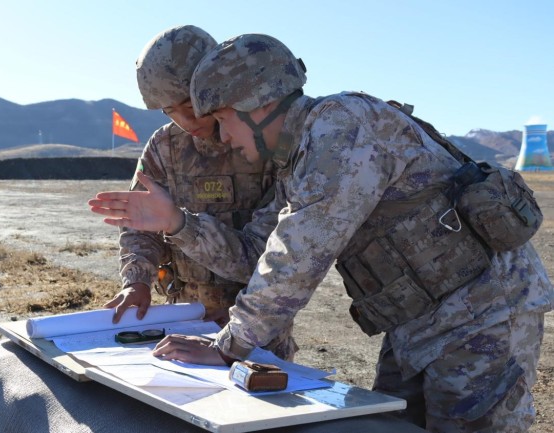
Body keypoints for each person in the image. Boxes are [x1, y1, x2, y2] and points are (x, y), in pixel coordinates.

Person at [90, 33, 554, 432]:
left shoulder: (340, 132)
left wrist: (228, 346)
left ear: (259, 106)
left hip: (481, 315)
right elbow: (260, 250)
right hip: (418, 323)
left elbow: (295, 257)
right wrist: (175, 228)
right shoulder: (300, 154)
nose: (219, 135)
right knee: (388, 426)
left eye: (224, 119)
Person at [91, 26, 296, 360]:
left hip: (256, 330)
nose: (186, 120)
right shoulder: (164, 146)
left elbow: (273, 254)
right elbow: (139, 224)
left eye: (190, 104)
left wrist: (235, 321)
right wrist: (137, 280)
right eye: (170, 111)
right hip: (184, 322)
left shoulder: (268, 143)